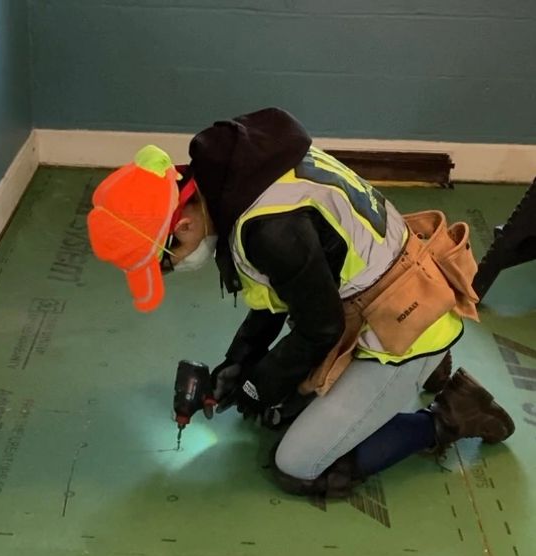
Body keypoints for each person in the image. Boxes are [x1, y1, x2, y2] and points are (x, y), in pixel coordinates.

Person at [87, 107, 515, 497]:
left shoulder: (270, 229)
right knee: (278, 403)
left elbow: (321, 327)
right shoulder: (244, 174)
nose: (173, 270)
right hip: (391, 287)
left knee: (297, 464)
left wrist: (259, 386)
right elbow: (283, 293)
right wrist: (238, 365)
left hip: (404, 323)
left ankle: (451, 414)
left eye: (166, 263)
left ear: (180, 225)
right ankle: (422, 373)